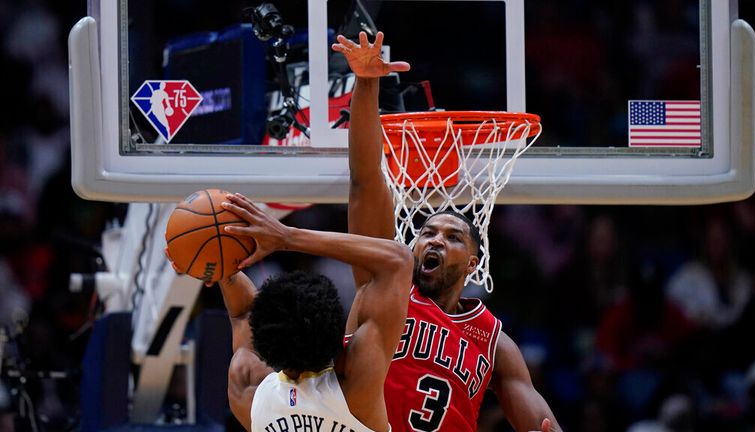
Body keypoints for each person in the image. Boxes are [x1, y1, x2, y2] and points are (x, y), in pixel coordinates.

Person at [331, 31, 560, 432]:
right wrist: (366, 84)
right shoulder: (383, 288)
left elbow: (539, 419)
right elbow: (365, 180)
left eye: (453, 237)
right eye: (427, 231)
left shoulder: (493, 341)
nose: (435, 238)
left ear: (474, 263)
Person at [167, 192, 413, 431]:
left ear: (262, 342)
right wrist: (284, 236)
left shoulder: (249, 391)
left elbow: (242, 313)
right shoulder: (355, 389)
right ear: (337, 336)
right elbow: (399, 258)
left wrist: (215, 262)